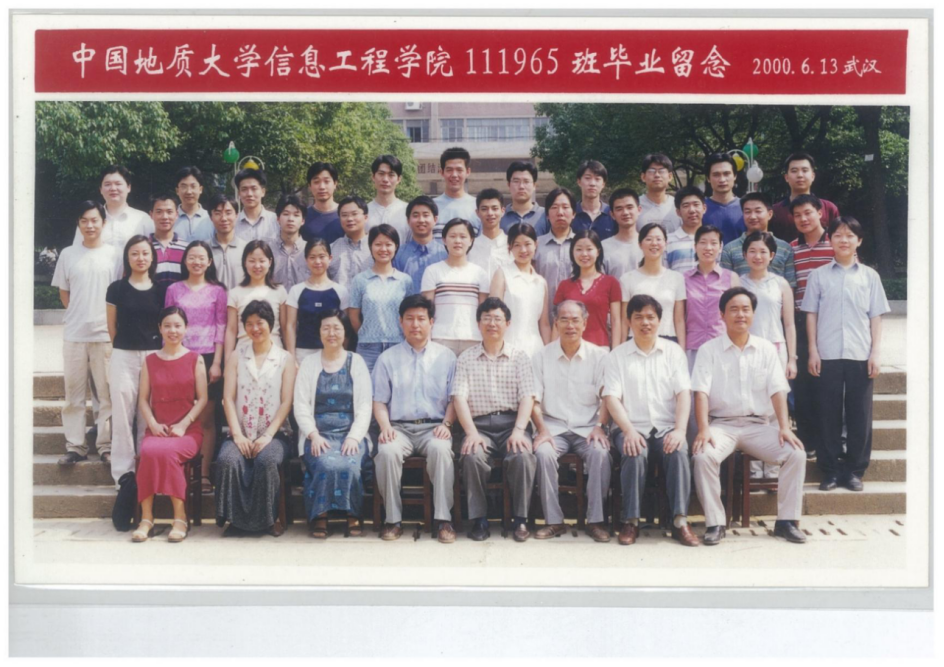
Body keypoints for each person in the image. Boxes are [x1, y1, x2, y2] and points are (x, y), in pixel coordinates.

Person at [691, 288, 807, 545]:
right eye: (733, 309)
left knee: (796, 454)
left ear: (753, 314)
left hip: (758, 426)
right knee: (703, 456)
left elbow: (777, 390)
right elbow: (701, 392)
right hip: (721, 426)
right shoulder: (709, 350)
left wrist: (784, 427)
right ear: (722, 315)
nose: (740, 315)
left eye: (746, 309)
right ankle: (715, 523)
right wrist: (703, 429)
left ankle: (787, 522)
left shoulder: (766, 349)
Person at [603, 295, 700, 547]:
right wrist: (628, 430)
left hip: (666, 427)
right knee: (634, 450)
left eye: (650, 317)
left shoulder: (674, 352)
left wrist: (680, 430)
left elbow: (683, 394)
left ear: (659, 320)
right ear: (629, 321)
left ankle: (680, 521)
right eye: (638, 317)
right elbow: (611, 397)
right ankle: (630, 521)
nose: (645, 322)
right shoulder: (617, 356)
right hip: (630, 426)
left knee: (678, 451)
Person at [802, 216, 890, 492]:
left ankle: (854, 470)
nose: (843, 240)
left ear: (858, 241)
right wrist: (813, 350)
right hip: (826, 353)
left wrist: (875, 353)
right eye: (838, 235)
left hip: (859, 353)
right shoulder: (818, 276)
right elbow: (811, 314)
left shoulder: (870, 276)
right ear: (830, 240)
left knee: (859, 415)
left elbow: (876, 316)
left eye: (850, 235)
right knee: (826, 413)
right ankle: (829, 470)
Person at [372, 295, 459, 543]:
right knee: (387, 451)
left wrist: (447, 424)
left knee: (441, 450)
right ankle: (393, 520)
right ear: (400, 322)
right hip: (399, 428)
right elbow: (379, 401)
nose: (415, 324)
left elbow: (455, 398)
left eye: (421, 318)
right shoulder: (387, 358)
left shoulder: (447, 357)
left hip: (435, 427)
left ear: (431, 322)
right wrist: (385, 427)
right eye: (409, 319)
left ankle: (443, 520)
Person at [453, 298, 537, 542]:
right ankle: (479, 520)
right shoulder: (466, 358)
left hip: (512, 424)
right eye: (486, 318)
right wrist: (471, 433)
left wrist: (519, 430)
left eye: (498, 318)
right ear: (478, 323)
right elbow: (459, 398)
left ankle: (521, 520)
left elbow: (527, 396)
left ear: (508, 323)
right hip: (479, 427)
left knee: (523, 456)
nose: (492, 323)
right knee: (472, 456)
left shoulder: (520, 357)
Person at [531, 300, 612, 542]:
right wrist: (542, 430)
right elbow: (533, 399)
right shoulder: (541, 356)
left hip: (588, 428)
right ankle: (554, 521)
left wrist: (600, 426)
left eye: (575, 320)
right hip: (552, 428)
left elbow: (608, 397)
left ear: (585, 323)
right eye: (564, 320)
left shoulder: (600, 356)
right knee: (543, 453)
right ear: (555, 323)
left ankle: (595, 521)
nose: (570, 325)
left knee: (600, 453)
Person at [216, 300, 297, 536]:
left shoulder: (285, 359)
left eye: (259, 323)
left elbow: (286, 401)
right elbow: (227, 398)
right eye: (249, 324)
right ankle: (235, 521)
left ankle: (269, 520)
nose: (255, 328)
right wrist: (237, 435)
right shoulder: (236, 356)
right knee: (227, 460)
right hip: (240, 432)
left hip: (276, 434)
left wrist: (268, 435)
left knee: (266, 460)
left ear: (270, 324)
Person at [53, 201, 121, 466]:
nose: (90, 225)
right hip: (74, 335)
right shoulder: (68, 254)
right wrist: (78, 315)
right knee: (74, 396)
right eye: (84, 221)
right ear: (78, 224)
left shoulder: (115, 255)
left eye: (94, 220)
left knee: (106, 396)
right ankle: (75, 446)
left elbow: (118, 294)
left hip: (105, 335)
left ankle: (105, 446)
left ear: (104, 223)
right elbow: (64, 292)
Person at [294, 310, 372, 539]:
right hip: (318, 434)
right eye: (326, 328)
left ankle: (352, 513)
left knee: (350, 464)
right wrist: (313, 435)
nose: (331, 333)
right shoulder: (309, 363)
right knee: (325, 463)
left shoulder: (356, 362)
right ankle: (320, 515)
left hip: (350, 433)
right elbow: (300, 405)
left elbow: (365, 405)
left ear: (345, 332)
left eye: (336, 328)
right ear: (319, 332)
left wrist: (354, 437)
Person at [132, 307, 207, 543]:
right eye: (167, 326)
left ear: (186, 328)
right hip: (158, 429)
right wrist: (153, 424)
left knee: (168, 453)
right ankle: (146, 518)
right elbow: (143, 399)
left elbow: (203, 399)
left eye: (177, 325)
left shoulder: (196, 359)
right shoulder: (150, 361)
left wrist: (184, 424)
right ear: (160, 329)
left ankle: (180, 518)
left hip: (187, 431)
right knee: (148, 451)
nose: (172, 330)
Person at [164, 240, 228, 491]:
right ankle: (180, 472)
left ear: (209, 262)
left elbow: (221, 328)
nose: (197, 262)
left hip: (209, 358)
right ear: (184, 260)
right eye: (192, 257)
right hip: (180, 357)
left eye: (202, 257)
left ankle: (203, 474)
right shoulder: (174, 289)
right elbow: (168, 326)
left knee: (206, 419)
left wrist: (218, 363)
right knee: (181, 416)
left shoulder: (218, 291)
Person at [740, 230, 798, 481]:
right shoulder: (737, 283)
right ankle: (754, 469)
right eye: (752, 251)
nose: (757, 256)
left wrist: (792, 358)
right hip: (746, 350)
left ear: (772, 255)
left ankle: (773, 466)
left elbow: (789, 324)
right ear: (744, 254)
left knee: (777, 407)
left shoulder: (781, 284)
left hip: (776, 349)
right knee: (752, 407)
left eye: (763, 251)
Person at [106, 235, 162, 485]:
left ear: (152, 257)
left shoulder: (161, 290)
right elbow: (112, 326)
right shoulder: (116, 288)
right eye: (135, 253)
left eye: (145, 253)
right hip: (123, 355)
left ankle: (145, 470)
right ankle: (124, 476)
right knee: (122, 415)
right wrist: (124, 347)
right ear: (127, 258)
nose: (140, 258)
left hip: (153, 357)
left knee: (147, 416)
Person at [790, 193, 835, 461]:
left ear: (820, 213)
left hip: (831, 322)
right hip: (801, 321)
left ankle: (832, 442)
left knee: (829, 385)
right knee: (804, 386)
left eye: (808, 213)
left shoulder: (836, 244)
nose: (803, 219)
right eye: (797, 215)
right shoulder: (792, 249)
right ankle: (808, 442)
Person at [348, 224, 414, 373]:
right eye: (378, 244)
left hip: (398, 345)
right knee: (367, 386)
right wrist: (367, 333)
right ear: (370, 247)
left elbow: (410, 314)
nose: (383, 249)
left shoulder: (405, 280)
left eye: (388, 244)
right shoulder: (360, 280)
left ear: (396, 246)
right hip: (368, 348)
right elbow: (353, 315)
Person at [421, 218, 490, 357]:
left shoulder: (480, 273)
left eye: (463, 237)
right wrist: (427, 340)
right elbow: (426, 310)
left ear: (471, 240)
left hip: (473, 338)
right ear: (444, 240)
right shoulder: (432, 271)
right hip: (441, 338)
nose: (458, 241)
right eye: (452, 236)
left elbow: (484, 312)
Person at [619, 223, 687, 348]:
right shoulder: (627, 279)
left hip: (668, 340)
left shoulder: (677, 278)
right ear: (640, 244)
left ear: (665, 244)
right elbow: (624, 320)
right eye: (649, 239)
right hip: (636, 341)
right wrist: (622, 347)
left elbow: (679, 320)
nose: (654, 243)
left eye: (658, 239)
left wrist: (681, 349)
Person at [489, 223, 550, 359]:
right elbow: (494, 316)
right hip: (507, 348)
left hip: (536, 350)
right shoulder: (502, 274)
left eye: (527, 244)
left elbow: (544, 324)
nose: (523, 250)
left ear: (536, 244)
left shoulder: (540, 282)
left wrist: (549, 353)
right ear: (509, 247)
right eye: (517, 245)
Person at [553, 230, 622, 349]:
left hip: (600, 348)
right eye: (579, 249)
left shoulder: (611, 283)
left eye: (589, 249)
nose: (584, 254)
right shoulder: (564, 285)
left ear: (598, 252)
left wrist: (615, 351)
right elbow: (556, 323)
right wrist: (552, 350)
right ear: (572, 252)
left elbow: (616, 321)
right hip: (569, 350)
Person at [285, 238, 349, 363]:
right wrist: (292, 358)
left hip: (333, 353)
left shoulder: (341, 291)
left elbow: (346, 327)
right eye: (312, 257)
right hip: (303, 354)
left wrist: (342, 352)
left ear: (330, 258)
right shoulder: (296, 290)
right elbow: (290, 326)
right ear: (306, 260)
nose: (317, 261)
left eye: (322, 256)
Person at [683, 225, 740, 366]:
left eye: (713, 243)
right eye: (703, 242)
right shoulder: (683, 279)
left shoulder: (731, 278)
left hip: (724, 346)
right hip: (693, 346)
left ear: (720, 247)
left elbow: (737, 314)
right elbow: (679, 318)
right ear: (695, 246)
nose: (708, 247)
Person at [720, 192, 797, 290]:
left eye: (758, 211)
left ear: (770, 214)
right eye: (747, 212)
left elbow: (790, 287)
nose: (752, 216)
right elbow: (725, 286)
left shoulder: (785, 248)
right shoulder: (729, 249)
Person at [225, 240, 288, 357]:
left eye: (262, 261)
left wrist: (290, 356)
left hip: (274, 355)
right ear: (245, 262)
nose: (257, 266)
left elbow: (284, 328)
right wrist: (228, 360)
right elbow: (231, 330)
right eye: (252, 261)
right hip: (243, 355)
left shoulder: (280, 291)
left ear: (270, 262)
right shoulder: (235, 293)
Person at [72, 164, 153, 250]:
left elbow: (154, 253)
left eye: (118, 184)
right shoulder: (88, 221)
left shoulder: (143, 219)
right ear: (100, 189)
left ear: (128, 187)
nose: (113, 188)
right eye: (107, 184)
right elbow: (77, 251)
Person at [770, 152, 841, 243]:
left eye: (805, 170)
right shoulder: (775, 211)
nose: (800, 175)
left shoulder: (828, 208)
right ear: (786, 177)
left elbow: (840, 237)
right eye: (794, 171)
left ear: (813, 176)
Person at [392, 195, 448, 293]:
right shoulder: (398, 255)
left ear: (435, 219)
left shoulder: (446, 254)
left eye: (426, 215)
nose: (421, 220)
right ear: (408, 220)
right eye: (415, 215)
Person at [534, 187, 577, 313]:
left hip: (576, 318)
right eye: (554, 207)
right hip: (542, 316)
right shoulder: (536, 245)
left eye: (565, 207)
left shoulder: (583, 246)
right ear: (547, 215)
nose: (560, 212)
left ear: (574, 213)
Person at [432, 146, 481, 239]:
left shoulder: (478, 206)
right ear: (441, 172)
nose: (454, 175)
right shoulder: (431, 207)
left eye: (459, 170)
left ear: (468, 172)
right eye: (449, 170)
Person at [148, 193, 189, 296]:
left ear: (176, 214)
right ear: (151, 214)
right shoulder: (144, 248)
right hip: (149, 304)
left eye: (169, 212)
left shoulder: (187, 249)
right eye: (159, 212)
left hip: (179, 304)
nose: (164, 217)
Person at [329, 195, 374, 286]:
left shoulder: (376, 248)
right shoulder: (331, 248)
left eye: (354, 214)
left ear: (365, 217)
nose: (349, 219)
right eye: (344, 215)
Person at [702, 153, 746, 245]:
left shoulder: (745, 207)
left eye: (726, 174)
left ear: (735, 176)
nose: (722, 180)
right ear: (708, 178)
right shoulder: (700, 209)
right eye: (716, 175)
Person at [269, 193, 310, 292]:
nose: (291, 219)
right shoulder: (268, 250)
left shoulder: (310, 250)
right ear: (278, 219)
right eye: (286, 214)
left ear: (303, 221)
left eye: (296, 215)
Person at [207, 193, 248, 290]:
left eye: (228, 213)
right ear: (211, 217)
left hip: (239, 300)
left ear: (236, 215)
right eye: (218, 213)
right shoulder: (203, 249)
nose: (224, 218)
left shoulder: (246, 249)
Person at [468, 188, 511, 278]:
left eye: (495, 208)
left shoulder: (512, 245)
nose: (490, 213)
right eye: (484, 209)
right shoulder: (469, 247)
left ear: (502, 211)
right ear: (477, 213)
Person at [602, 188, 643, 280]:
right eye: (619, 209)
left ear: (639, 210)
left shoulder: (650, 244)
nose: (625, 213)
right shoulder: (603, 247)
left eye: (629, 207)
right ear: (612, 215)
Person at [636, 153, 682, 234]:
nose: (657, 175)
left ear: (670, 176)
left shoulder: (678, 205)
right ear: (643, 177)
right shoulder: (634, 206)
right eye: (651, 171)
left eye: (662, 171)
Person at [367, 154, 409, 241]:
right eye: (381, 174)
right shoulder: (364, 212)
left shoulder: (408, 211)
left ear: (398, 179)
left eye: (391, 175)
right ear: (373, 177)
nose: (385, 179)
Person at [301, 161, 344, 245]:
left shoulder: (346, 215)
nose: (322, 187)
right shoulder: (303, 216)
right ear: (310, 186)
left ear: (335, 184)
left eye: (326, 181)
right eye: (316, 182)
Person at [571, 159, 616, 240]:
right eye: (587, 178)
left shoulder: (613, 214)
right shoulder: (570, 213)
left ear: (603, 184)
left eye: (597, 179)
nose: (592, 183)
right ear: (579, 181)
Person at [665, 185, 705, 274]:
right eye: (686, 206)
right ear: (678, 212)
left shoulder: (714, 240)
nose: (692, 210)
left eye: (696, 204)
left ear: (704, 208)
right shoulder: (667, 241)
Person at [500, 160, 547, 234]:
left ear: (534, 185)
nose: (521, 186)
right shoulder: (499, 217)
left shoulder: (546, 215)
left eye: (526, 181)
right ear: (509, 185)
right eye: (516, 181)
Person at [233, 168, 280, 242]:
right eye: (244, 189)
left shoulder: (276, 221)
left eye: (254, 189)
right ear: (239, 193)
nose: (249, 194)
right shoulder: (232, 222)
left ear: (263, 192)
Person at [174, 166, 213, 242]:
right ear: (177, 191)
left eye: (193, 186)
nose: (189, 191)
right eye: (184, 186)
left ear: (200, 189)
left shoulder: (211, 218)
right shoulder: (169, 220)